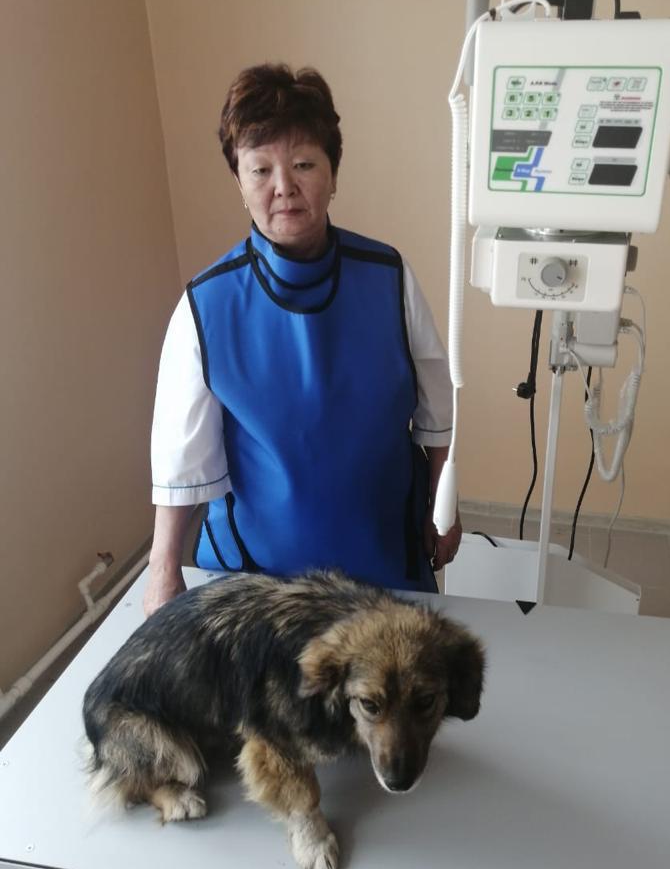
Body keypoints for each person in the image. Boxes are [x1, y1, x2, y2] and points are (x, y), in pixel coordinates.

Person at [144, 63, 461, 616]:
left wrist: (445, 507)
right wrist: (163, 568)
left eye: (304, 165)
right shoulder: (206, 305)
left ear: (333, 174)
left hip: (385, 561)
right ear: (239, 182)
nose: (283, 187)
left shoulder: (389, 277)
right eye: (260, 169)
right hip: (254, 580)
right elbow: (181, 459)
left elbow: (438, 409)